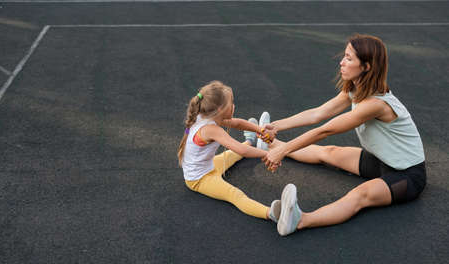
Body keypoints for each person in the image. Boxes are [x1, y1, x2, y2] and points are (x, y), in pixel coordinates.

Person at [260, 34, 426, 236]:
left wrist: (286, 150)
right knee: (329, 152)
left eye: (348, 58)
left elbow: (326, 130)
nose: (341, 62)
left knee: (359, 195)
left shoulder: (376, 104)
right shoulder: (357, 89)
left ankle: (300, 220)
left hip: (407, 175)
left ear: (366, 66)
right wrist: (276, 127)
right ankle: (271, 145)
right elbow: (318, 114)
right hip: (379, 161)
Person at [177, 80, 281, 222]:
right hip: (199, 179)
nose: (234, 106)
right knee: (235, 195)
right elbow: (242, 150)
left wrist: (260, 130)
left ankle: (251, 141)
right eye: (231, 103)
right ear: (220, 109)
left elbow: (237, 123)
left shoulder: (209, 115)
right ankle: (271, 213)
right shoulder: (211, 129)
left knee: (231, 154)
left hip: (208, 165)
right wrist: (270, 154)